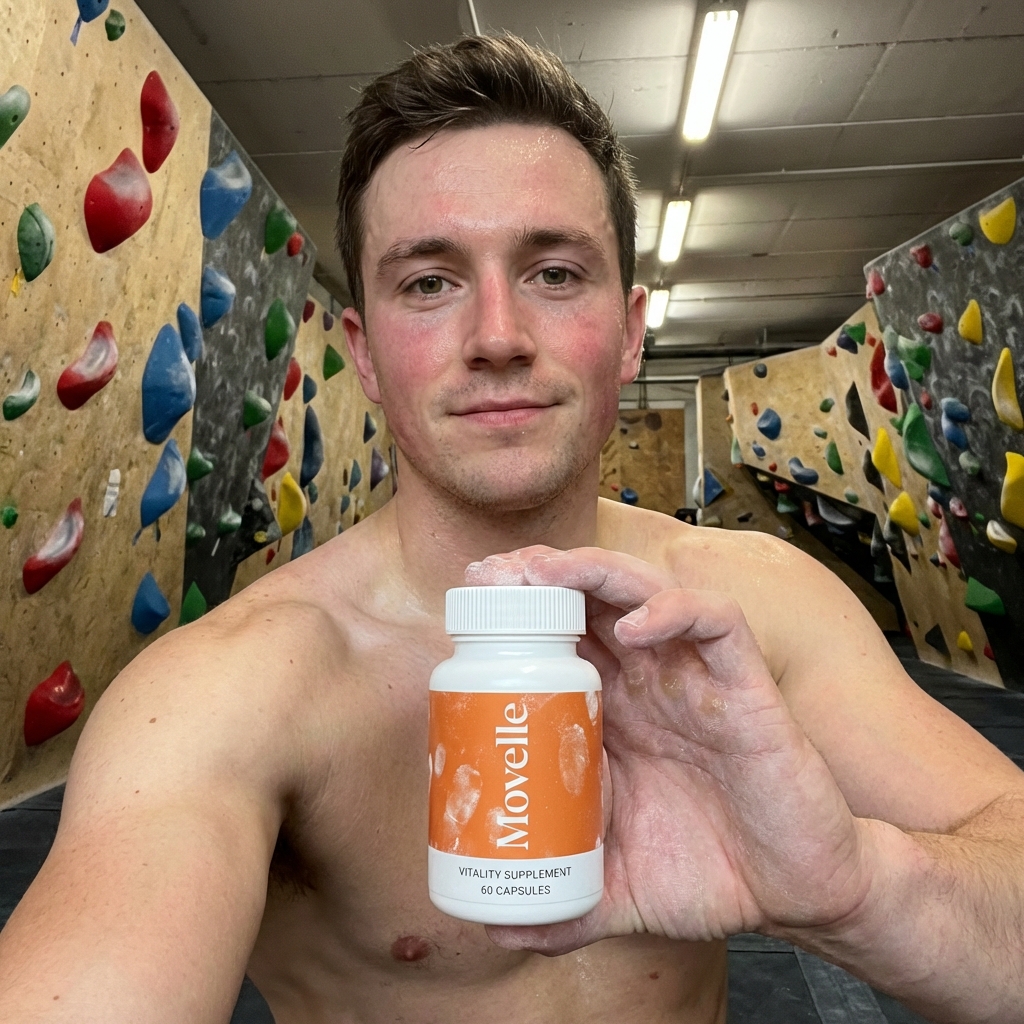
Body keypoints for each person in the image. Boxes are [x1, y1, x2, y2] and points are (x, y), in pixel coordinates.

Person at [1, 33, 1022, 1024]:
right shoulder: (228, 692)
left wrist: (857, 890)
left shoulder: (755, 608)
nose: (496, 337)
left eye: (554, 272)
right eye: (429, 281)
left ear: (629, 332)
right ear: (361, 351)